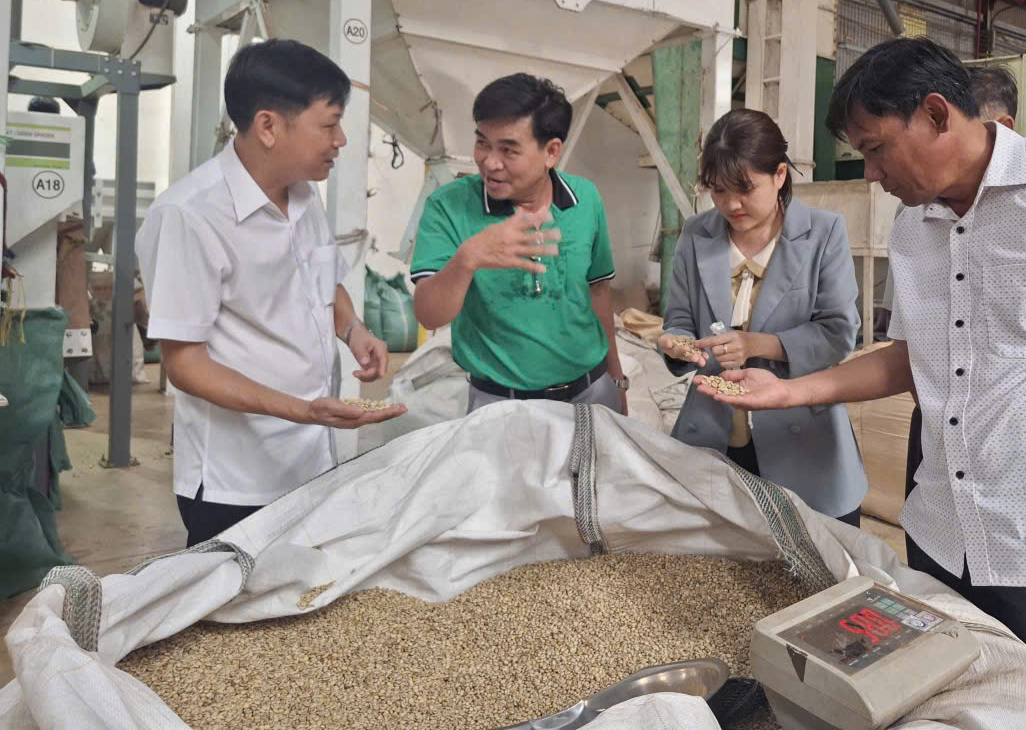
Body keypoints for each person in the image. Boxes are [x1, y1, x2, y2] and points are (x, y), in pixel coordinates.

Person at [698, 38, 1026, 730]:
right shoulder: (914, 227)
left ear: (937, 113)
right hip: (946, 541)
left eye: (877, 148)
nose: (872, 172)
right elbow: (909, 357)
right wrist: (790, 391)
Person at [136, 39, 405, 547]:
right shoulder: (189, 216)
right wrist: (302, 409)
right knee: (235, 594)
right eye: (329, 125)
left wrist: (353, 330)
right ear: (268, 126)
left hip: (313, 458)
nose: (341, 140)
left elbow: (324, 282)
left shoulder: (303, 193)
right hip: (236, 480)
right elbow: (185, 364)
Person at [658, 109, 866, 524]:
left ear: (780, 175)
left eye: (745, 189)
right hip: (716, 434)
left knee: (817, 551)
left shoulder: (823, 233)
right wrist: (676, 344)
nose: (731, 204)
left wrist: (757, 345)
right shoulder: (697, 234)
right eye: (718, 191)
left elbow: (838, 333)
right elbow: (679, 320)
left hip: (804, 438)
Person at [411, 74, 628, 415]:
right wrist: (468, 259)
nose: (489, 162)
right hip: (499, 405)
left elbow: (597, 291)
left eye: (508, 150)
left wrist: (616, 379)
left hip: (591, 392)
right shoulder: (449, 206)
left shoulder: (585, 198)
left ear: (551, 152)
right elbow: (428, 315)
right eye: (482, 143)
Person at [889, 66, 1018, 506]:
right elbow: (909, 350)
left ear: (1002, 129)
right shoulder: (913, 218)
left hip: (1024, 458)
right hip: (939, 437)